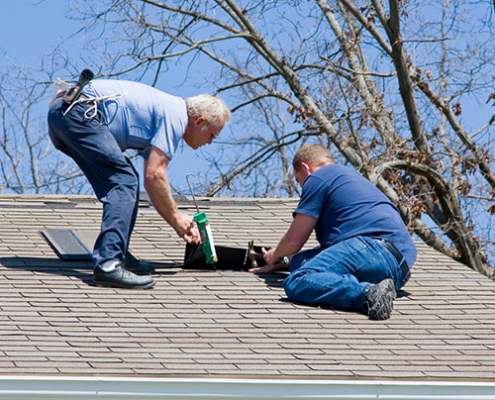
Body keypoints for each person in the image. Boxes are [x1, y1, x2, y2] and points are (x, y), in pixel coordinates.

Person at [48, 78, 230, 289]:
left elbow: (150, 179)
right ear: (199, 122)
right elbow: (155, 175)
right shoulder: (176, 116)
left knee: (127, 180)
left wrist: (175, 220)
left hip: (64, 113)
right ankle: (108, 265)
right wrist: (177, 218)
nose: (209, 142)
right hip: (80, 113)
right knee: (124, 182)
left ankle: (118, 253)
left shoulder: (167, 109)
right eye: (212, 135)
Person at [251, 144, 416, 320]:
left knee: (297, 280)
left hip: (372, 248)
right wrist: (286, 260)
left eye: (300, 181)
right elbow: (330, 253)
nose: (303, 188)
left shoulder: (318, 177)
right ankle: (376, 289)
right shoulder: (350, 179)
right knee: (300, 263)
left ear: (306, 168)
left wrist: (274, 255)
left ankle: (368, 293)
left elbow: (294, 241)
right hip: (398, 270)